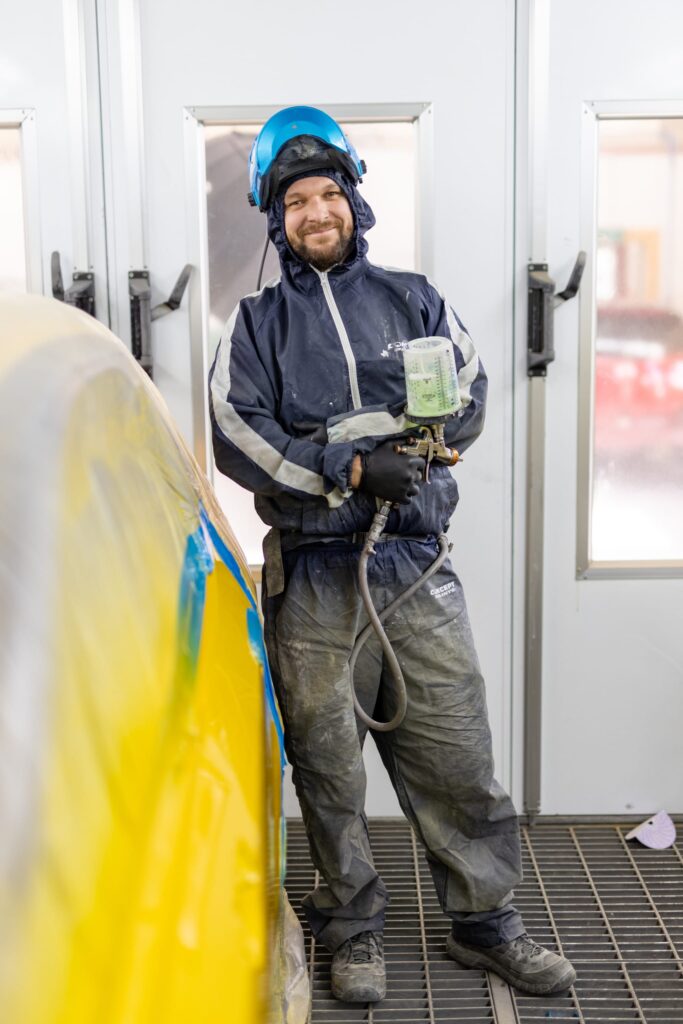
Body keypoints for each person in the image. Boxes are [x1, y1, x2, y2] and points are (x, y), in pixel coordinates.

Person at [209, 106, 576, 1004]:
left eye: (328, 192)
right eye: (295, 200)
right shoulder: (254, 326)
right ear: (275, 217)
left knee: (455, 751)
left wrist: (397, 453)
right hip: (315, 579)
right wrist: (345, 465)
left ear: (354, 202)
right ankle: (352, 929)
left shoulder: (413, 297)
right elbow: (233, 434)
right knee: (328, 767)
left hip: (414, 569)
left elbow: (469, 391)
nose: (315, 212)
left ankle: (487, 923)